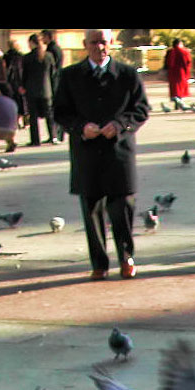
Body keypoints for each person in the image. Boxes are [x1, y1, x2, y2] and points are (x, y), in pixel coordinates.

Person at [53, 28, 149, 281]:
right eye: (94, 43)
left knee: (122, 208)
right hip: (87, 152)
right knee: (92, 209)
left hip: (119, 151)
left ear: (112, 43)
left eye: (103, 42)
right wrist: (81, 128)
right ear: (85, 45)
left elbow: (140, 109)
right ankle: (99, 262)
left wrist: (119, 125)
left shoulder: (127, 75)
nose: (99, 47)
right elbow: (60, 113)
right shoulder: (70, 76)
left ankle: (126, 256)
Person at [21, 34, 57, 145]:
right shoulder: (49, 56)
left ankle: (35, 140)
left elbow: (24, 75)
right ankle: (53, 136)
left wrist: (23, 86)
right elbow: (53, 74)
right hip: (46, 90)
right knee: (49, 115)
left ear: (32, 43)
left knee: (33, 117)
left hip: (31, 90)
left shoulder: (27, 58)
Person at [41, 31, 64, 141]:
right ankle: (58, 134)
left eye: (43, 37)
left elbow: (52, 68)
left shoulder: (51, 50)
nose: (42, 39)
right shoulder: (56, 48)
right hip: (57, 80)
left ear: (48, 37)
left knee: (53, 109)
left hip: (54, 82)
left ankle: (56, 134)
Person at [3, 39, 27, 128]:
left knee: (12, 101)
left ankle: (14, 120)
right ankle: (20, 120)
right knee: (21, 101)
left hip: (10, 81)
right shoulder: (21, 56)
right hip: (19, 80)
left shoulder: (6, 56)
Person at [164, 37, 192, 106]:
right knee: (181, 87)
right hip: (182, 72)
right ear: (180, 44)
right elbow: (188, 62)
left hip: (172, 72)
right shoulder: (185, 52)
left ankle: (175, 100)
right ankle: (180, 100)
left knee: (174, 88)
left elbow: (167, 63)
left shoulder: (170, 51)